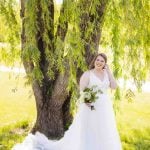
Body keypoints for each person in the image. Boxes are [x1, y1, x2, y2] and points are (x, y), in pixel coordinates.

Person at [13, 53, 122, 150]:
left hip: (104, 108)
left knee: (104, 130)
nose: (99, 62)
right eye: (97, 60)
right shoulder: (88, 74)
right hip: (90, 108)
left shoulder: (106, 74)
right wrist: (93, 107)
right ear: (94, 61)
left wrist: (109, 71)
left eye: (102, 61)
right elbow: (83, 93)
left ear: (105, 63)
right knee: (91, 130)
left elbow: (114, 86)